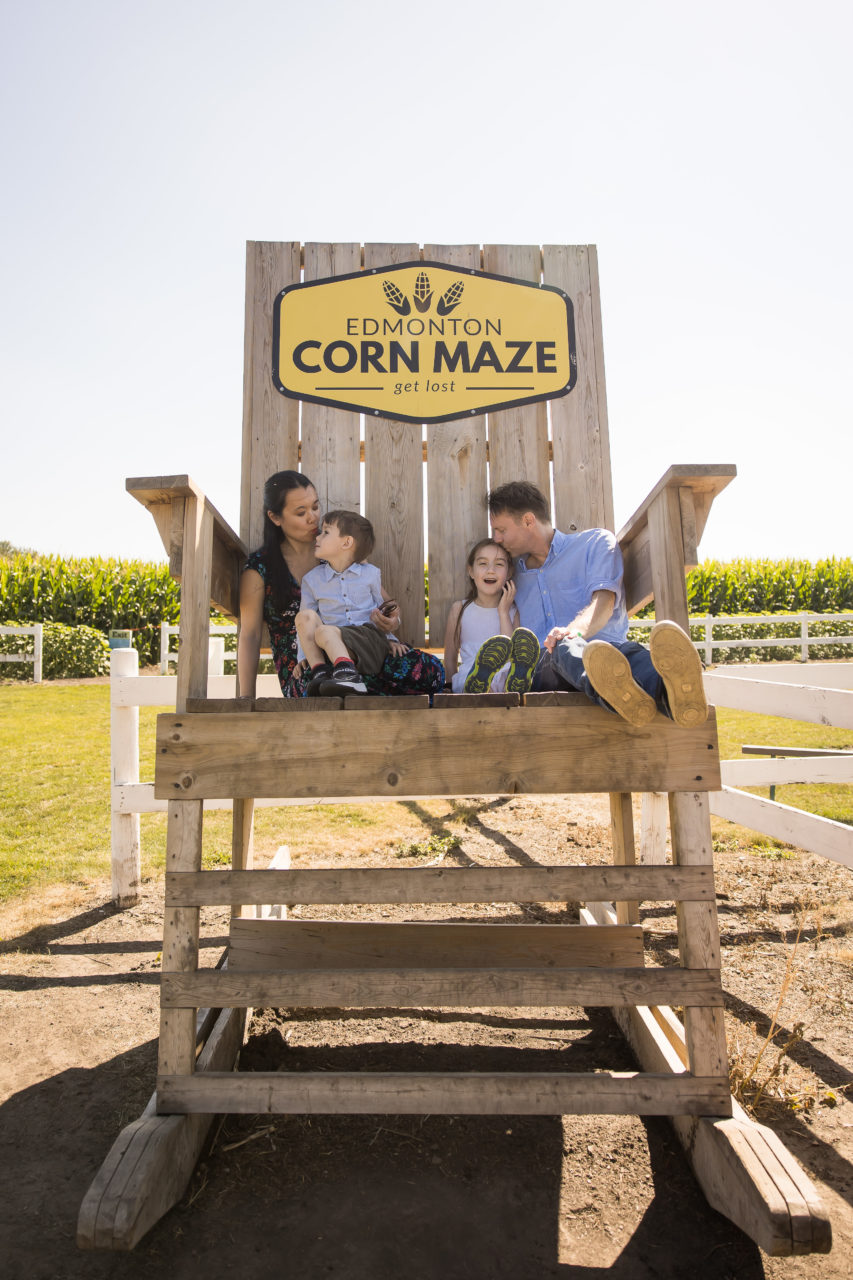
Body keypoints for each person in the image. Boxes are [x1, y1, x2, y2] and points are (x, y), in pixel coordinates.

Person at [487, 481, 708, 727]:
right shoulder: (509, 573)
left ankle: (675, 695)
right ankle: (620, 695)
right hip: (543, 671)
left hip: (610, 655)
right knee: (563, 648)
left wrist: (572, 632)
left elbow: (604, 603)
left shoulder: (594, 543)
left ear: (528, 521)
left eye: (501, 529)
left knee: (625, 653)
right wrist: (566, 639)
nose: (496, 538)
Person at [237, 471, 445, 699]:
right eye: (300, 512)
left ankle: (358, 684)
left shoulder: (335, 551)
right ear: (275, 518)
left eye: (315, 507)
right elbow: (250, 635)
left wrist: (390, 622)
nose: (313, 518)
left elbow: (385, 603)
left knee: (430, 671)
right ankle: (358, 686)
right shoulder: (260, 569)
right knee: (328, 686)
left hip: (360, 648)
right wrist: (245, 700)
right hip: (309, 665)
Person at [296, 510, 401, 696]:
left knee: (324, 630)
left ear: (347, 542)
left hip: (366, 638)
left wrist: (391, 640)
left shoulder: (370, 574)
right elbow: (305, 625)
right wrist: (303, 656)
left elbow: (382, 610)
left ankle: (350, 678)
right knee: (304, 617)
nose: (318, 537)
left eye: (326, 532)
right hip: (330, 641)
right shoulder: (311, 580)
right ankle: (320, 672)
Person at [441, 537, 540, 694]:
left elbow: (509, 653)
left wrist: (503, 611)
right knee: (473, 677)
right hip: (470, 675)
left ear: (509, 573)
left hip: (505, 678)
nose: (491, 570)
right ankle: (483, 684)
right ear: (471, 571)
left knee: (508, 670)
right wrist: (449, 685)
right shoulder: (460, 609)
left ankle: (513, 686)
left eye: (499, 564)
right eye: (482, 563)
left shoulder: (512, 611)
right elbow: (450, 655)